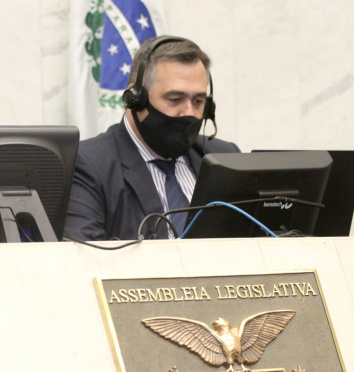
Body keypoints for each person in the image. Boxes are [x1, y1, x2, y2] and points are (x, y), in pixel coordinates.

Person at [64, 36, 240, 241]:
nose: (189, 113)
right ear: (135, 98)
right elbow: (84, 255)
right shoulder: (88, 164)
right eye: (175, 100)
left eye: (198, 101)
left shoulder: (225, 158)